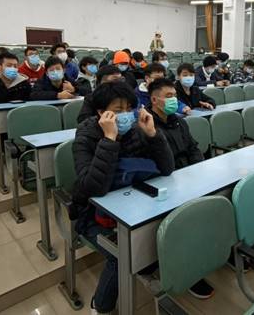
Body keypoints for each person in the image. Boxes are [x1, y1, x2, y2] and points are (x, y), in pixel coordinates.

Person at [71, 82, 174, 314]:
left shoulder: (136, 130)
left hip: (134, 205)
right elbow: (93, 188)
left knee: (165, 229)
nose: (126, 115)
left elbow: (167, 168)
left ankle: (145, 269)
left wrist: (153, 135)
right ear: (100, 112)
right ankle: (101, 306)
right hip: (93, 215)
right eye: (118, 110)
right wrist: (109, 139)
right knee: (122, 255)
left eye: (129, 109)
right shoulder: (86, 135)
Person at [146, 78, 215, 299]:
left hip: (188, 176)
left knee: (217, 200)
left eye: (174, 96)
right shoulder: (148, 126)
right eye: (168, 96)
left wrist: (197, 170)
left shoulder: (178, 121)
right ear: (154, 100)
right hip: (165, 181)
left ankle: (218, 250)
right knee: (188, 218)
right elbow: (157, 162)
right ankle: (187, 269)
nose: (173, 100)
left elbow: (193, 147)